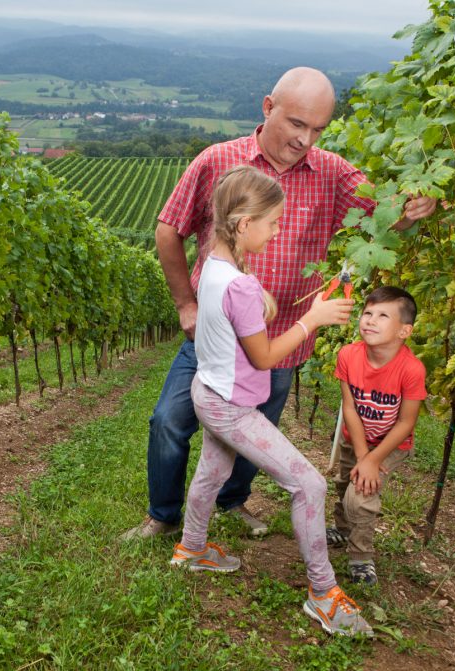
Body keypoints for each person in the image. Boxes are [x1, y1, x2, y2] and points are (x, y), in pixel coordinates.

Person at [121, 66, 436, 540]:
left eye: (318, 129)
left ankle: (231, 502)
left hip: (283, 343)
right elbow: (169, 229)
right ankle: (162, 516)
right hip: (217, 339)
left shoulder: (331, 172)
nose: (306, 139)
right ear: (268, 108)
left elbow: (385, 218)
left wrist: (411, 211)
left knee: (255, 436)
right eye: (296, 124)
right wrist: (186, 304)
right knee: (168, 421)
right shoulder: (217, 161)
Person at [169, 166, 372, 638]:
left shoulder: (215, 264)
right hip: (232, 406)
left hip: (209, 391)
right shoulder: (237, 281)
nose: (279, 230)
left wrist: (259, 296)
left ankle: (192, 548)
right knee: (310, 485)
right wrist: (314, 319)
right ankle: (323, 594)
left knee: (211, 471)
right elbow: (262, 357)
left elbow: (236, 307)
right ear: (243, 225)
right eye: (274, 222)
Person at [326, 287, 427, 586]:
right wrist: (361, 456)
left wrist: (374, 459)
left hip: (390, 445)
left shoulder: (411, 369)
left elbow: (406, 423)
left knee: (362, 495)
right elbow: (350, 407)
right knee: (345, 482)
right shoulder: (348, 355)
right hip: (355, 438)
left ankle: (361, 556)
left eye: (383, 315)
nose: (370, 320)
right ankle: (342, 529)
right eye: (368, 312)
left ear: (404, 331)